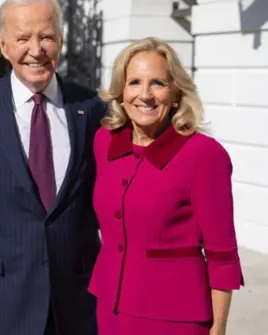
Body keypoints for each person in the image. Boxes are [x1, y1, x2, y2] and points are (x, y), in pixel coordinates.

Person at [0, 0, 105, 335]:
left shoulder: (91, 109)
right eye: (23, 38)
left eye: (46, 37)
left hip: (79, 305)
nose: (36, 49)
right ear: (3, 45)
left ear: (60, 40)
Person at [90, 37, 244, 335]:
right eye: (134, 82)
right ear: (121, 92)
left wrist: (218, 330)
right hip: (110, 311)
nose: (145, 95)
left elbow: (222, 254)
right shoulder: (104, 142)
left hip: (174, 318)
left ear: (175, 94)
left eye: (158, 83)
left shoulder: (203, 154)